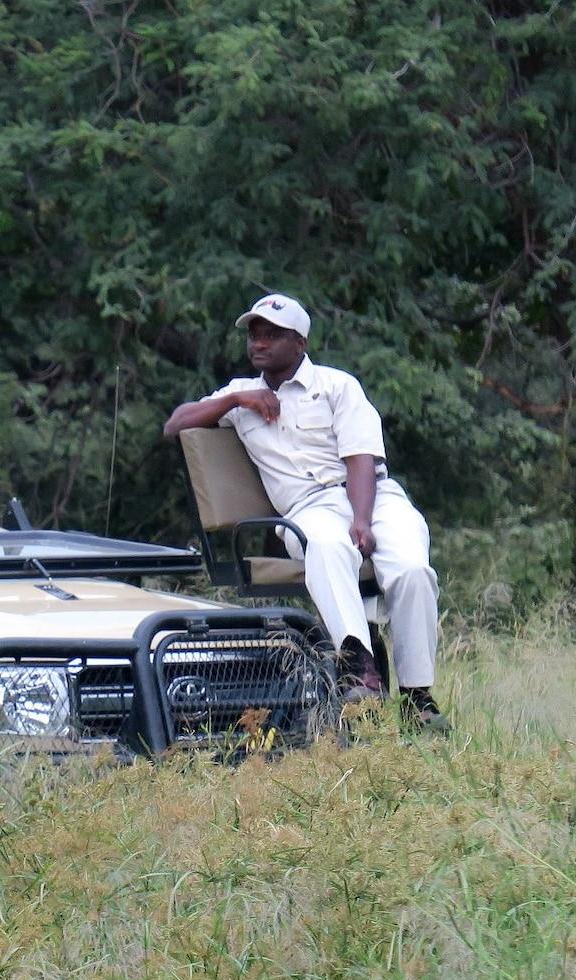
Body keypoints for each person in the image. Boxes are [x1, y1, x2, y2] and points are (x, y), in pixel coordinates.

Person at [162, 294, 447, 729]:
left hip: (372, 496)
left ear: (299, 343)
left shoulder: (337, 386)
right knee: (326, 546)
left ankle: (416, 696)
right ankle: (359, 667)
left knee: (411, 569)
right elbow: (175, 424)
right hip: (307, 509)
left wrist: (363, 520)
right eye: (254, 334)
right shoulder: (239, 395)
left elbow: (361, 460)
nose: (259, 343)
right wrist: (239, 402)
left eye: (272, 335)